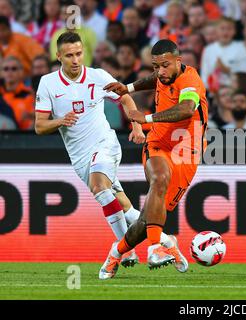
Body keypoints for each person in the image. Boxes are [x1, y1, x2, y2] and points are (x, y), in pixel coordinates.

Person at [34, 31, 166, 270]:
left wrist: (136, 126)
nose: (75, 60)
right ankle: (167, 243)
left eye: (79, 54)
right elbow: (39, 126)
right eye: (69, 55)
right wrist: (60, 121)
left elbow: (125, 98)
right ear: (58, 56)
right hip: (80, 156)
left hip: (106, 144)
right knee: (123, 205)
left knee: (99, 187)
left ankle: (123, 250)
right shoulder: (48, 83)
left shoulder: (97, 76)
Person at [99, 39, 208, 279]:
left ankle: (116, 253)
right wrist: (127, 88)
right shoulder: (163, 74)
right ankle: (158, 247)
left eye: (165, 66)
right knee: (159, 178)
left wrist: (146, 119)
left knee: (147, 220)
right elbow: (154, 79)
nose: (160, 72)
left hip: (188, 152)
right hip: (158, 143)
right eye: (156, 66)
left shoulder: (191, 80)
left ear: (179, 61)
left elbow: (187, 108)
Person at [0, 56, 35, 130]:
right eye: (6, 69)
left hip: (23, 136)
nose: (10, 72)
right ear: (1, 72)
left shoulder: (30, 95)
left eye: (14, 69)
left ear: (21, 72)